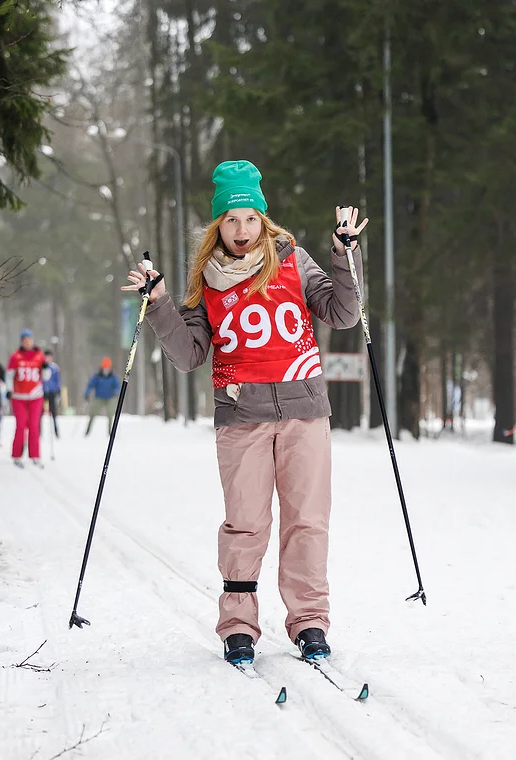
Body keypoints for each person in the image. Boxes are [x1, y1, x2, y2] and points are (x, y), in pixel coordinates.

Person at [122, 159, 365, 666]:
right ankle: (238, 625)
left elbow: (343, 314)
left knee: (307, 522)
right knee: (246, 523)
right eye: (231, 220)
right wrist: (162, 303)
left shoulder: (294, 262)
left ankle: (310, 622)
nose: (241, 229)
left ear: (263, 219)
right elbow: (188, 356)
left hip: (305, 413)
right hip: (241, 417)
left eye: (250, 218)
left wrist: (343, 255)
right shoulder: (205, 282)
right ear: (218, 225)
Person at [6, 329, 47, 467]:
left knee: (34, 426)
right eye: (25, 340)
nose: (27, 342)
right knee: (21, 425)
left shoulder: (40, 356)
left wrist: (46, 368)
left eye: (29, 339)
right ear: (22, 341)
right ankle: (17, 455)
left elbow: (46, 376)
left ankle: (35, 455)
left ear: (33, 340)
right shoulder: (15, 356)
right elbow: (10, 375)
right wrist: (9, 389)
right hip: (18, 396)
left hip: (36, 395)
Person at [82, 357, 120, 436]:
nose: (106, 370)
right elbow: (90, 385)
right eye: (105, 368)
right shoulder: (97, 376)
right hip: (99, 398)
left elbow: (117, 386)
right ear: (102, 368)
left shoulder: (113, 377)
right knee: (92, 413)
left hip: (110, 398)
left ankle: (110, 432)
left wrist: (116, 392)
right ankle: (87, 431)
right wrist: (87, 393)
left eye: (107, 368)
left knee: (110, 414)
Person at [42, 348, 62, 438]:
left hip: (52, 392)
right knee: (39, 413)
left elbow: (57, 380)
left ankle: (56, 432)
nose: (48, 358)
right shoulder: (41, 366)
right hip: (42, 392)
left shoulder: (55, 368)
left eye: (49, 357)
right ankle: (38, 432)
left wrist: (58, 390)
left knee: (53, 411)